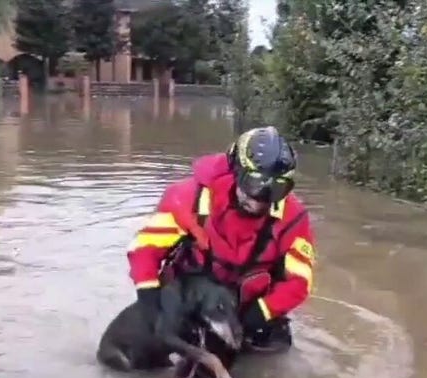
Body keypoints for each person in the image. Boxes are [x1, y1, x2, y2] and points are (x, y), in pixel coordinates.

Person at [126, 126, 316, 353]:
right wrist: (148, 297)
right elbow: (145, 249)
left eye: (275, 190)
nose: (259, 201)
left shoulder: (294, 218)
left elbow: (300, 282)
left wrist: (263, 311)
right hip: (194, 302)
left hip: (251, 309)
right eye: (254, 185)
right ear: (236, 170)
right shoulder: (188, 198)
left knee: (274, 357)